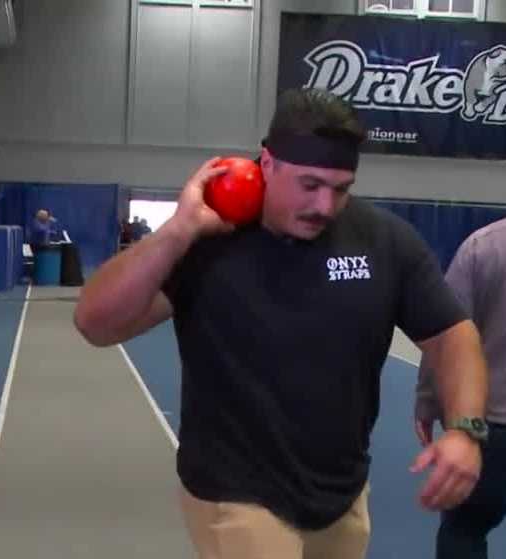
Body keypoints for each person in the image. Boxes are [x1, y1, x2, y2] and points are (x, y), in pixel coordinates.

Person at [74, 88, 489, 559]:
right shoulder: (207, 242)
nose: (325, 206)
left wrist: (464, 429)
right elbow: (96, 324)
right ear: (266, 164)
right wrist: (177, 231)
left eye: (341, 188)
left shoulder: (385, 242)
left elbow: (453, 334)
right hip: (235, 492)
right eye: (309, 185)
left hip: (342, 496)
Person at [416, 217, 506, 559]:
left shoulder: (483, 246)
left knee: (464, 530)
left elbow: (444, 330)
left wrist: (427, 401)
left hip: (490, 430)